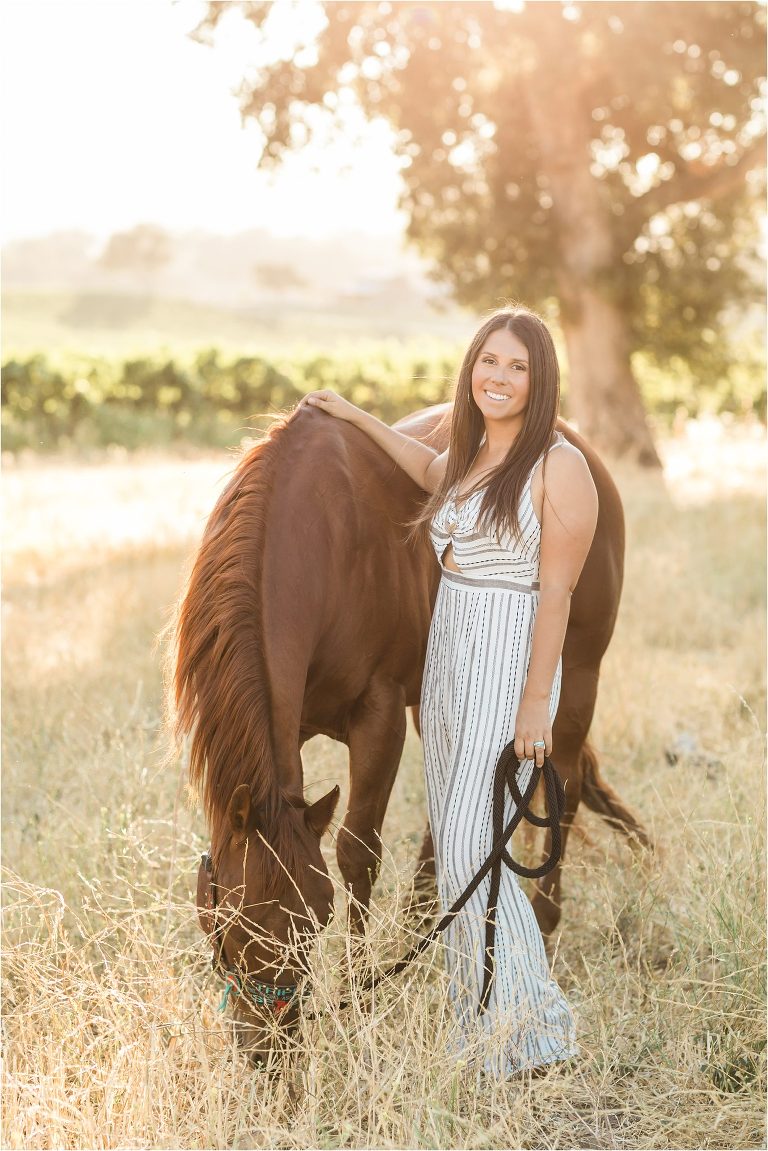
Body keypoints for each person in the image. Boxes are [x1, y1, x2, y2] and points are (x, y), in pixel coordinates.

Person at [299, 306, 598, 1077]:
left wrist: (538, 702)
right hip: (449, 653)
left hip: (509, 650)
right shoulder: (467, 456)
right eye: (487, 362)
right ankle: (480, 1019)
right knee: (464, 834)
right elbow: (420, 466)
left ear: (541, 379)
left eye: (517, 366)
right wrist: (351, 414)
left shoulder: (559, 467)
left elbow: (557, 594)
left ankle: (534, 1025)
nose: (498, 377)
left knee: (472, 843)